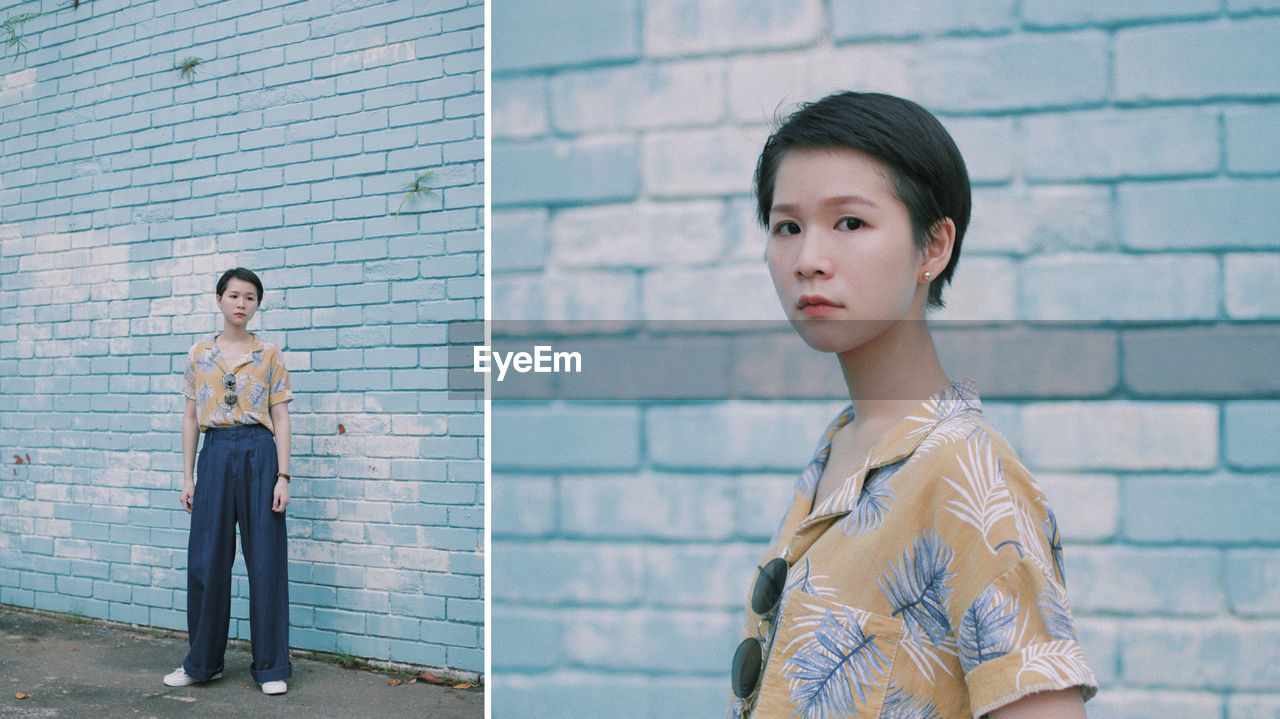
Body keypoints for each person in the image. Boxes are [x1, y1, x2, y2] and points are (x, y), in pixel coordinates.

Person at [729, 93, 1098, 718]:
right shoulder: (842, 444)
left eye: (850, 223)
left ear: (933, 248)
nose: (809, 261)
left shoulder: (967, 474)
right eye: (787, 226)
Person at [164, 267, 294, 696]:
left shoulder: (270, 354)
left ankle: (272, 666)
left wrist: (282, 476)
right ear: (219, 299)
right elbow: (189, 417)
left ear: (257, 305)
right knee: (206, 562)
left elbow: (280, 416)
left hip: (260, 451)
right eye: (235, 295)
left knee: (266, 562)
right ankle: (202, 663)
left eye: (251, 297)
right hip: (215, 453)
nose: (242, 303)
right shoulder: (199, 353)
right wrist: (188, 477)